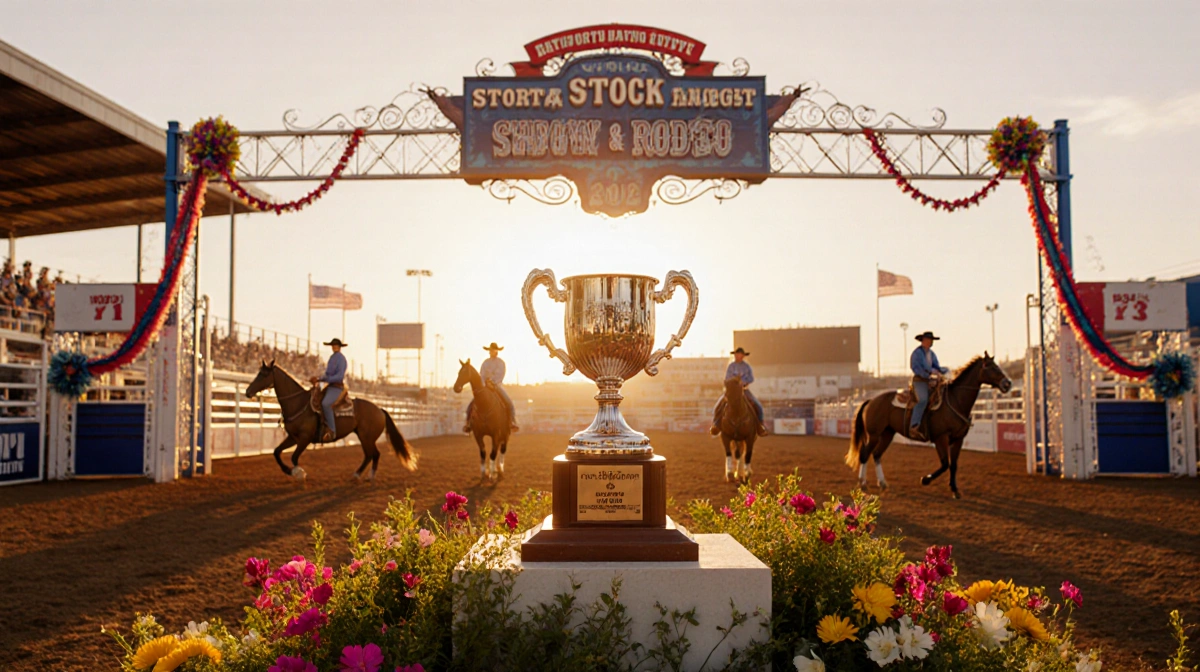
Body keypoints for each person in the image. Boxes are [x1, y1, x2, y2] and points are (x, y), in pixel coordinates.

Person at [711, 347, 768, 437]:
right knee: (718, 405)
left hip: (744, 390)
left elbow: (751, 378)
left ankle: (760, 426)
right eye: (736, 354)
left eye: (740, 354)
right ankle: (716, 425)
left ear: (743, 356)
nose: (738, 356)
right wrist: (734, 381)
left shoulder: (746, 366)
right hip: (732, 391)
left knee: (758, 405)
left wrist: (744, 382)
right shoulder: (731, 366)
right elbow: (727, 378)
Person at [464, 342, 519, 433]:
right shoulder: (485, 363)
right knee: (471, 404)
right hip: (485, 387)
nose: (491, 352)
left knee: (508, 402)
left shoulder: (501, 363)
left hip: (496, 386)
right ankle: (468, 423)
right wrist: (484, 384)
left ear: (496, 351)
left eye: (493, 350)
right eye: (490, 350)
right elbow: (482, 375)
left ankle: (512, 421)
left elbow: (500, 375)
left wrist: (492, 383)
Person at [909, 331, 949, 441]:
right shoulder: (917, 353)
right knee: (922, 400)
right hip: (920, 381)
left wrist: (943, 371)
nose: (929, 342)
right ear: (923, 341)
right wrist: (929, 374)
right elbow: (915, 368)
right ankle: (914, 425)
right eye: (927, 340)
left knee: (941, 397)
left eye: (931, 340)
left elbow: (937, 367)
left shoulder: (931, 354)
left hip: (930, 381)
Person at [309, 338, 348, 442]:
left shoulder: (341, 359)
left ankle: (332, 430)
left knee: (326, 404)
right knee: (315, 398)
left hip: (337, 387)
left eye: (336, 345)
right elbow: (327, 374)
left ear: (339, 347)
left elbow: (339, 376)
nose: (334, 347)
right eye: (333, 345)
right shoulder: (332, 358)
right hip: (330, 385)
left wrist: (324, 379)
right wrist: (318, 378)